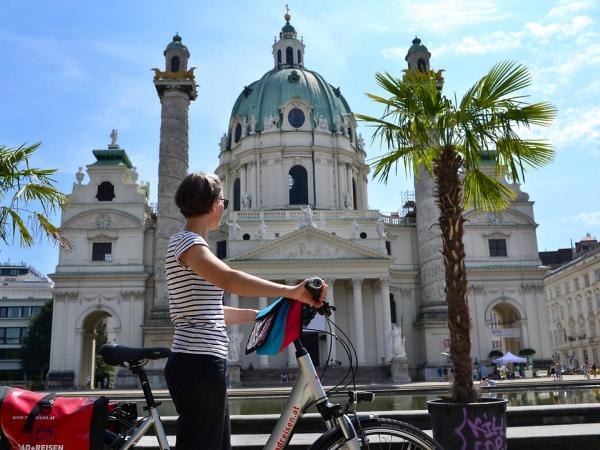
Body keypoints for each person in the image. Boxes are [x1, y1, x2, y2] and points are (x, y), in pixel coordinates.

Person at [163, 173, 327, 450]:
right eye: (223, 201)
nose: (225, 207)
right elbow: (229, 279)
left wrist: (261, 315)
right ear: (213, 204)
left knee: (214, 443)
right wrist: (290, 291)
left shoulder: (185, 242)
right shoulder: (189, 243)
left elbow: (211, 310)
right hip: (199, 362)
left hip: (196, 361)